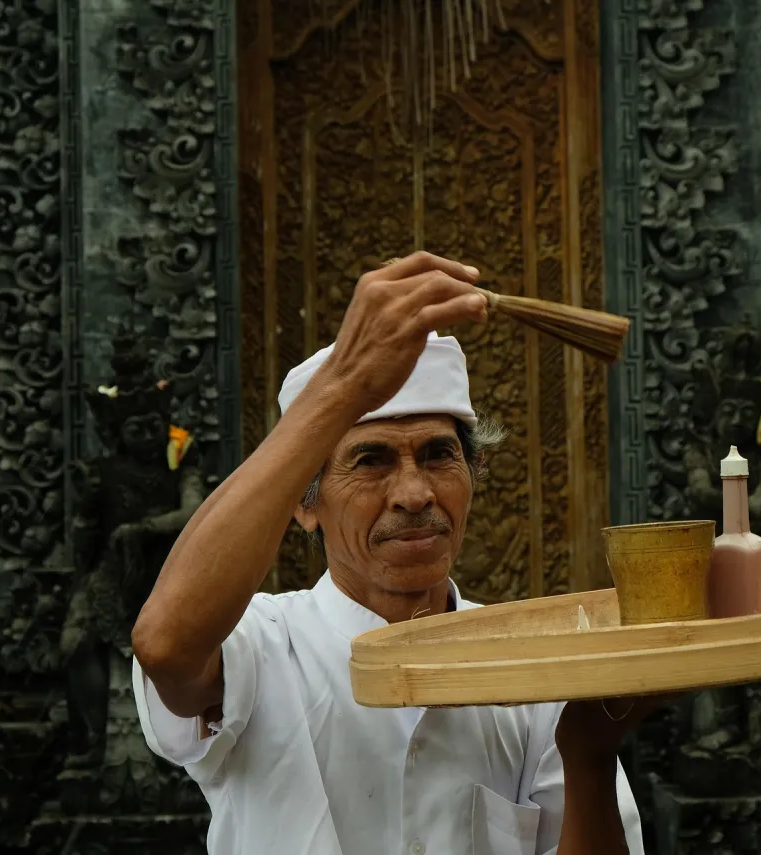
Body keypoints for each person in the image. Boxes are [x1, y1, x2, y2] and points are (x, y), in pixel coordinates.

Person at [130, 252, 653, 854]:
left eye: (437, 455)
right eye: (369, 460)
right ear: (304, 504)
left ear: (474, 474)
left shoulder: (532, 669)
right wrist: (347, 382)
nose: (413, 494)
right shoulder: (262, 644)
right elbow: (165, 646)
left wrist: (589, 755)